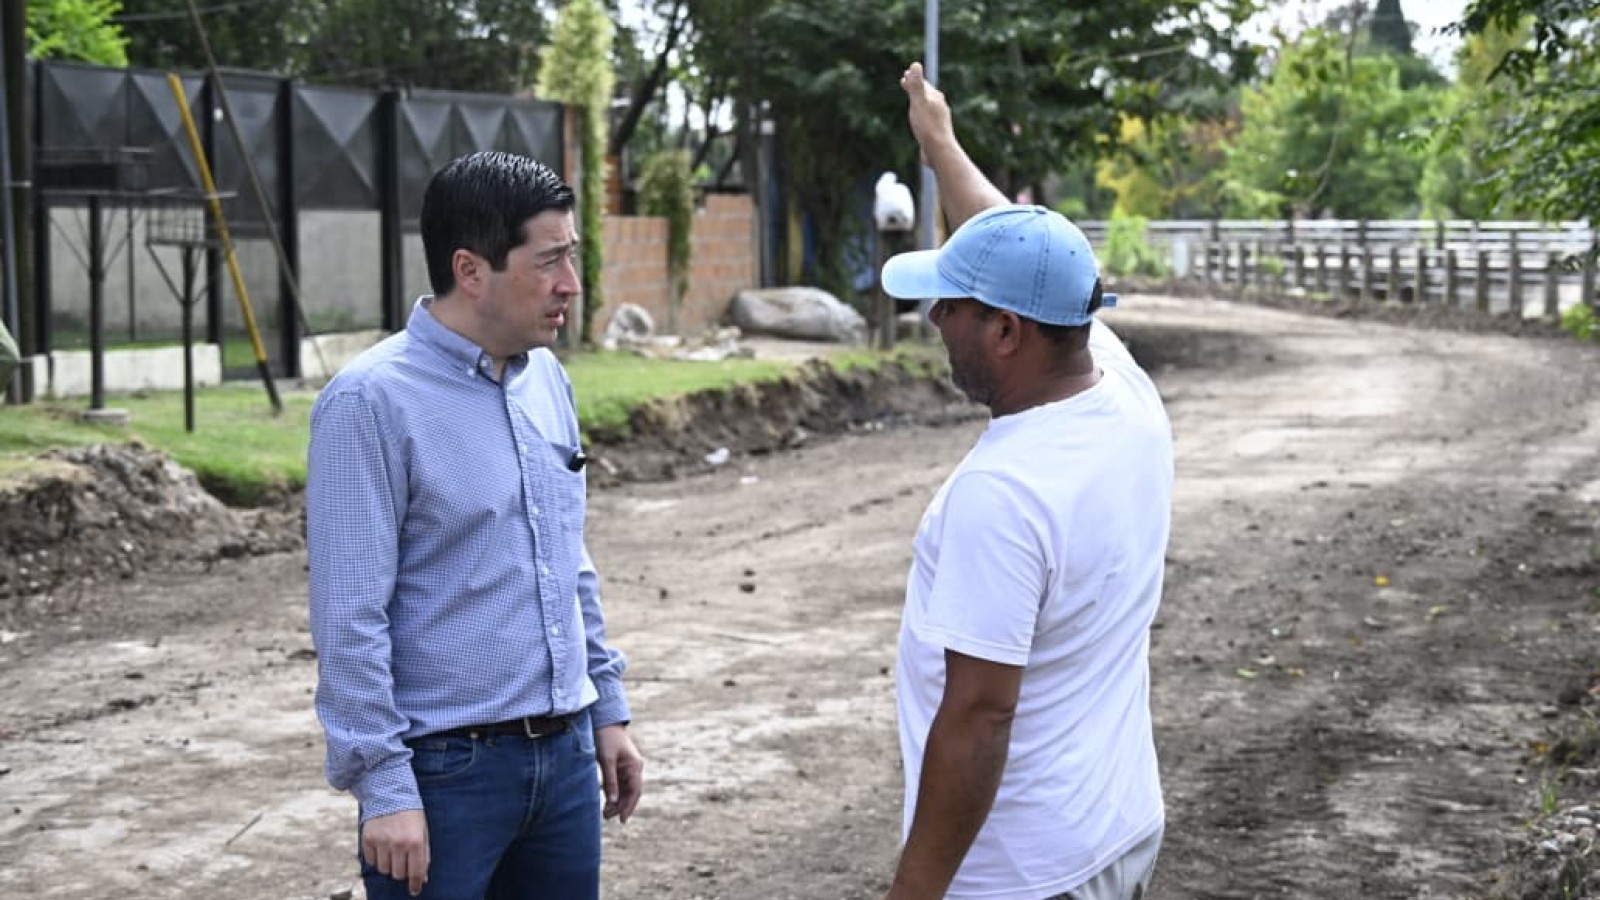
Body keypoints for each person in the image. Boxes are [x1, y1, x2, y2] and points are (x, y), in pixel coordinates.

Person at [306, 150, 643, 900]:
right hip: (444, 779)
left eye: (571, 257)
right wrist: (384, 786)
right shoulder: (369, 402)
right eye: (548, 261)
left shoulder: (546, 378)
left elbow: (567, 559)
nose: (571, 283)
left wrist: (606, 710)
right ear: (470, 270)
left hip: (563, 763)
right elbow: (349, 615)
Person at [878, 62, 1173, 900]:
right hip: (1113, 831)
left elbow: (981, 717)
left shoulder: (1002, 493)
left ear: (1007, 332)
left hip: (1023, 875)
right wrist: (941, 147)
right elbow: (1021, 247)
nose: (937, 318)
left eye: (951, 305)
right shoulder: (1120, 390)